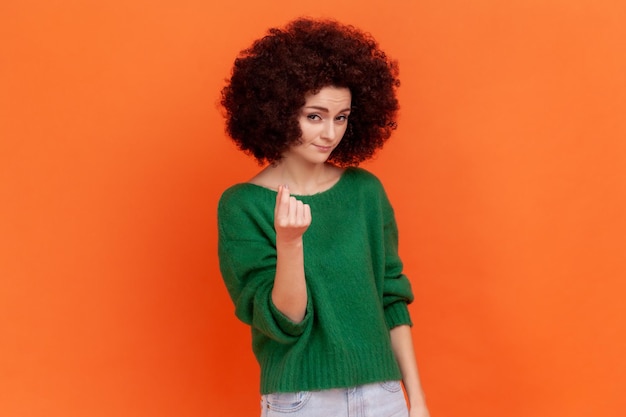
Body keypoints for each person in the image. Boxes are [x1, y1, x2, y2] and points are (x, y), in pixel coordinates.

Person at [217, 17, 430, 417]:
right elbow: (286, 322)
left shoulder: (365, 192)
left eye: (341, 117)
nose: (330, 133)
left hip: (383, 395)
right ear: (278, 112)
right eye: (314, 116)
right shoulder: (242, 206)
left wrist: (415, 401)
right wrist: (290, 242)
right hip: (302, 401)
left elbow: (392, 300)